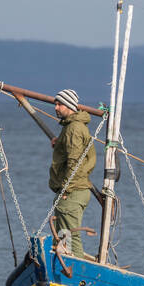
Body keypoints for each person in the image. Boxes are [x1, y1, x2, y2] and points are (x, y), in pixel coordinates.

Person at [49, 89, 96, 257]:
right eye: (55, 103)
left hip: (73, 190)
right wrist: (60, 142)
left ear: (69, 105)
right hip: (76, 189)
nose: (56, 107)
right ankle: (65, 268)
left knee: (70, 235)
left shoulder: (74, 128)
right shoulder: (72, 127)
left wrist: (66, 190)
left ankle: (76, 272)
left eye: (59, 104)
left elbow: (74, 162)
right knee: (64, 236)